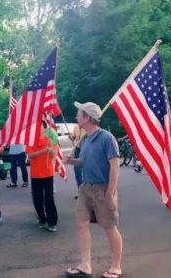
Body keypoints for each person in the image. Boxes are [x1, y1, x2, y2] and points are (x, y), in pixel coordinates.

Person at [64, 102, 122, 278]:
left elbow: (115, 167)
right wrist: (71, 161)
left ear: (87, 117)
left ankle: (116, 267)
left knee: (109, 227)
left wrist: (110, 193)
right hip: (86, 188)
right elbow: (84, 161)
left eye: (79, 114)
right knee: (81, 224)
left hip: (102, 189)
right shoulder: (86, 139)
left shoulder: (106, 138)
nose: (76, 117)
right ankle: (85, 265)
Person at [25, 121, 58, 232]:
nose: (37, 129)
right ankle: (42, 218)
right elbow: (30, 156)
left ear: (44, 128)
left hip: (48, 173)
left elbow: (54, 155)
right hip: (35, 174)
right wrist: (44, 151)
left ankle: (52, 222)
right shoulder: (30, 142)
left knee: (49, 198)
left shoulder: (48, 140)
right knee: (37, 199)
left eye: (39, 126)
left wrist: (51, 151)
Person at [71, 124, 86, 190]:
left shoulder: (87, 127)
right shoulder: (76, 127)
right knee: (77, 170)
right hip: (77, 149)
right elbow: (73, 138)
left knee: (86, 169)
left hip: (86, 149)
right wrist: (71, 137)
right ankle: (80, 189)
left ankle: (88, 189)